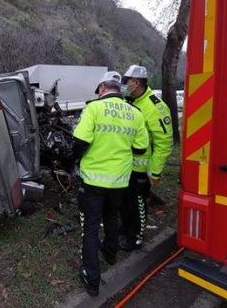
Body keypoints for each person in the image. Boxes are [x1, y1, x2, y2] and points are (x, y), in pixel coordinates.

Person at [72, 71, 149, 297]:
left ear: (102, 88)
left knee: (91, 226)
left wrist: (77, 160)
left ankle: (91, 276)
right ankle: (111, 252)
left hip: (93, 180)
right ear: (118, 87)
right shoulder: (135, 113)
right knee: (111, 216)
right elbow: (141, 147)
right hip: (119, 181)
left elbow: (79, 142)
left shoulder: (93, 108)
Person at [119, 65, 174, 251]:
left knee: (137, 203)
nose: (124, 85)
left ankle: (136, 236)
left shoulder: (154, 107)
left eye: (126, 81)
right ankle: (125, 229)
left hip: (142, 168)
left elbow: (164, 142)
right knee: (125, 201)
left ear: (136, 83)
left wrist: (155, 171)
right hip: (125, 165)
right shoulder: (129, 101)